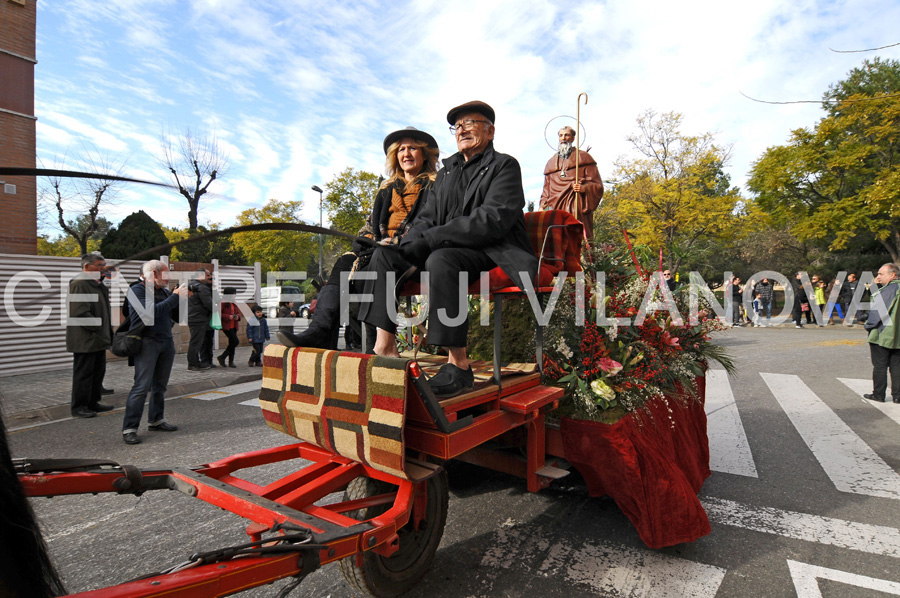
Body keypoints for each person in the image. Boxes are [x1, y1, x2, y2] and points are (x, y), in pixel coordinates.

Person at [359, 101, 538, 398]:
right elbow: (427, 218)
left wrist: (432, 238)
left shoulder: (504, 165)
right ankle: (385, 348)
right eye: (457, 126)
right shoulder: (446, 173)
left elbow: (492, 220)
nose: (462, 129)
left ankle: (458, 365)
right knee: (384, 256)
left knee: (442, 258)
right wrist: (406, 242)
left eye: (471, 122)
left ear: (490, 131)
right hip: (443, 246)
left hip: (491, 249)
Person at [278, 126, 440, 350]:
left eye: (413, 148)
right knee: (344, 262)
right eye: (401, 149)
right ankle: (319, 332)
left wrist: (394, 243)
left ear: (424, 154)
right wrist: (364, 239)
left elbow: (433, 224)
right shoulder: (386, 189)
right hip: (377, 252)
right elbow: (369, 226)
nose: (406, 154)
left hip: (411, 255)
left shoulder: (435, 186)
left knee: (374, 265)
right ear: (395, 156)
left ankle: (378, 346)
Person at [121, 260, 189, 445]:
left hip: (166, 341)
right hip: (146, 342)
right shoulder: (137, 290)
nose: (168, 278)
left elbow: (177, 316)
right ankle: (130, 428)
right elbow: (149, 313)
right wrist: (174, 298)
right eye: (165, 274)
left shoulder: (163, 292)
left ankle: (156, 420)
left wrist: (182, 299)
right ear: (154, 274)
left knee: (160, 385)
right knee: (141, 386)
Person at [66, 252, 115, 418]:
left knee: (97, 372)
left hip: (97, 338)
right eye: (100, 265)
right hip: (86, 339)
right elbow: (80, 313)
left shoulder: (96, 284)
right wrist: (99, 328)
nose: (103, 269)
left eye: (104, 265)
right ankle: (79, 406)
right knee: (84, 374)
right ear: (87, 267)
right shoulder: (80, 284)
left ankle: (93, 402)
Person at [539, 126, 604, 241]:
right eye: (561, 135)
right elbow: (546, 190)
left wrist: (584, 189)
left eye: (567, 135)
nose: (563, 138)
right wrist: (542, 204)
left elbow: (597, 185)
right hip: (554, 207)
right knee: (555, 239)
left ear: (573, 138)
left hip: (575, 205)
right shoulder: (550, 164)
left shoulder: (583, 158)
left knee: (577, 238)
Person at [863, 263, 900, 403]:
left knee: (880, 365)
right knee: (897, 366)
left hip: (883, 334)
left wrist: (869, 325)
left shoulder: (889, 290)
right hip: (898, 336)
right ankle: (898, 395)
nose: (878, 277)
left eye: (880, 274)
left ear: (892, 275)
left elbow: (879, 312)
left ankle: (878, 394)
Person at [187, 268, 214, 370]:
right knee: (196, 343)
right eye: (207, 275)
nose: (210, 277)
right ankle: (193, 364)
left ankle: (196, 362)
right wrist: (215, 309)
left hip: (193, 317)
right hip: (199, 318)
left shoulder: (191, 285)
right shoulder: (202, 288)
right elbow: (208, 303)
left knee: (196, 342)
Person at [216, 286, 241, 368]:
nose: (235, 295)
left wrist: (237, 316)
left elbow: (237, 312)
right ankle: (222, 357)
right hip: (227, 326)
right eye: (234, 293)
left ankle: (231, 361)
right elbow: (219, 313)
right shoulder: (223, 302)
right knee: (235, 341)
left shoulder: (234, 302)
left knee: (232, 343)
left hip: (234, 325)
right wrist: (228, 316)